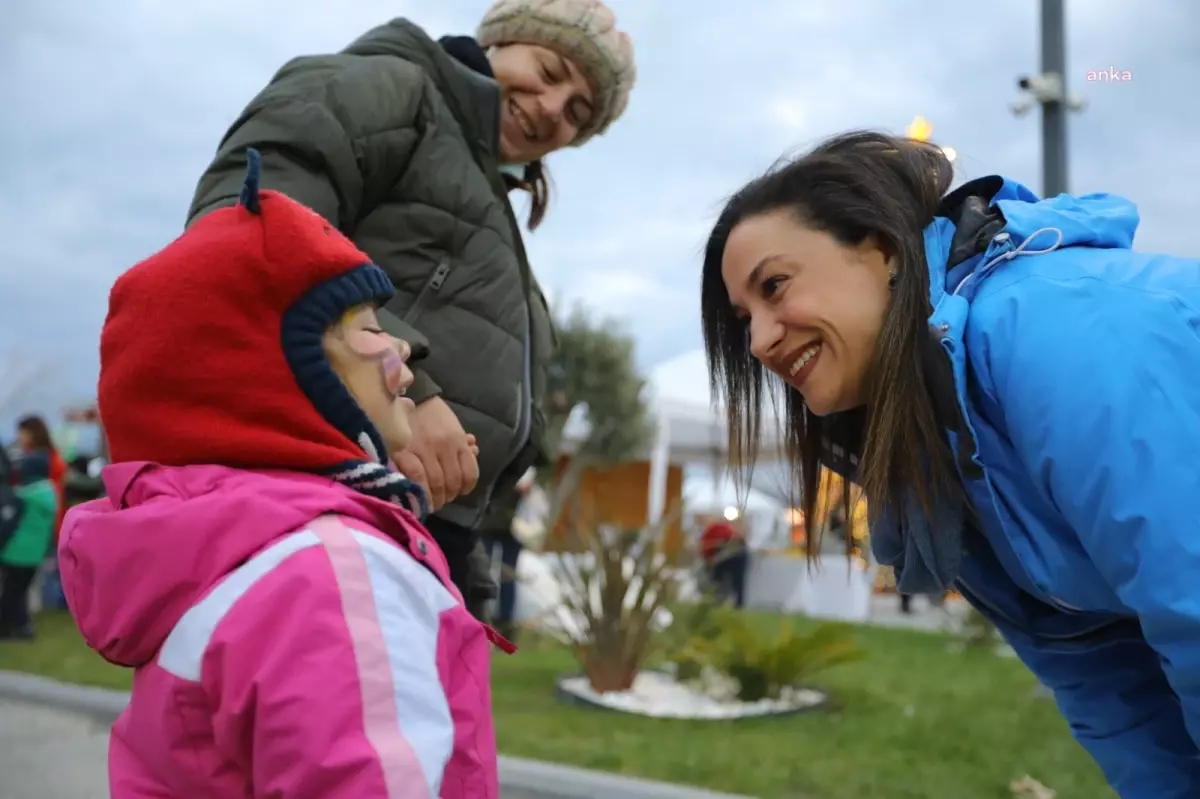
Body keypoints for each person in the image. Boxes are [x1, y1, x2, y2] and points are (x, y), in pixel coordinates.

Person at [700, 129, 1200, 797]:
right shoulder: (942, 431)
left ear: (880, 250)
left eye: (776, 286)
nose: (759, 340)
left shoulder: (1053, 333)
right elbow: (1099, 671)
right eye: (743, 318)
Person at [59, 154, 506, 797]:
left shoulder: (224, 556)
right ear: (282, 375)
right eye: (374, 328)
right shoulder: (332, 570)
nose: (403, 347)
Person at [185, 0, 636, 618]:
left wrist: (463, 563)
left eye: (578, 112)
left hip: (410, 537)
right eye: (551, 71)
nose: (553, 108)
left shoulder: (486, 198)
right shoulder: (393, 88)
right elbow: (251, 218)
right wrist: (405, 391)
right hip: (324, 505)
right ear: (501, 42)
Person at [0, 450, 58, 640]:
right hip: (35, 553)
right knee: (19, 592)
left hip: (16, 552)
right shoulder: (49, 492)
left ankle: (13, 630)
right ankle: (23, 627)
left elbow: (9, 516)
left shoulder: (24, 496)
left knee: (11, 593)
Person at [15, 415, 67, 545]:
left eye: (22, 433)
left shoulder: (37, 460)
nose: (19, 438)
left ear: (33, 434)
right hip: (53, 514)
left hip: (45, 517)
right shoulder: (51, 455)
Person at [699, 518, 748, 608]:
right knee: (718, 578)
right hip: (725, 558)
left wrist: (716, 559)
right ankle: (717, 600)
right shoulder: (714, 533)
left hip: (736, 558)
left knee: (737, 582)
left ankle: (738, 604)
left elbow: (733, 548)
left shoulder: (728, 533)